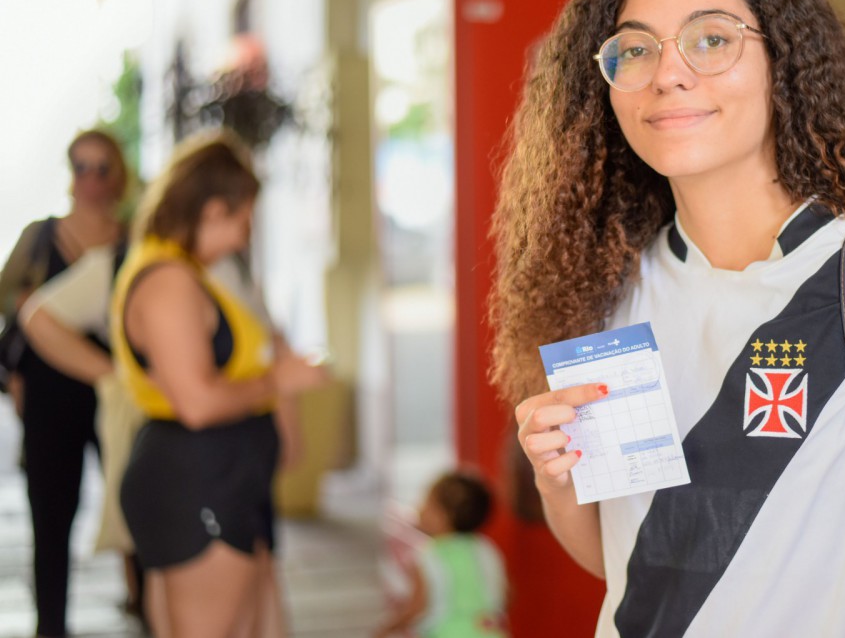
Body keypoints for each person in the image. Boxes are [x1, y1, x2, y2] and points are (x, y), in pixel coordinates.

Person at [491, 0, 845, 638]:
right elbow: (630, 562)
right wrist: (558, 478)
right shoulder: (608, 294)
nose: (668, 73)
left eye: (711, 39)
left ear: (781, 63)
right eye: (635, 50)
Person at [109, 128, 326, 637]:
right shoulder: (167, 282)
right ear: (211, 210)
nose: (241, 238)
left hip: (218, 476)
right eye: (242, 221)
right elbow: (198, 403)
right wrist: (280, 378)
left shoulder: (187, 272)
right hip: (195, 479)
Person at [0, 129, 127, 638]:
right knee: (53, 515)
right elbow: (10, 309)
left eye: (101, 167)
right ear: (69, 173)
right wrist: (13, 381)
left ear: (116, 174)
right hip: (52, 394)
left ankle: (149, 603)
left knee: (136, 493)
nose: (91, 179)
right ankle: (50, 624)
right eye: (81, 166)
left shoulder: (134, 238)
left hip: (117, 391)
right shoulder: (39, 238)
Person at [374, 471, 508, 638]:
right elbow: (506, 592)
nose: (420, 508)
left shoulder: (429, 555)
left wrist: (388, 627)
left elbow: (417, 606)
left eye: (427, 503)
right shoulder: (485, 547)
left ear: (444, 517)